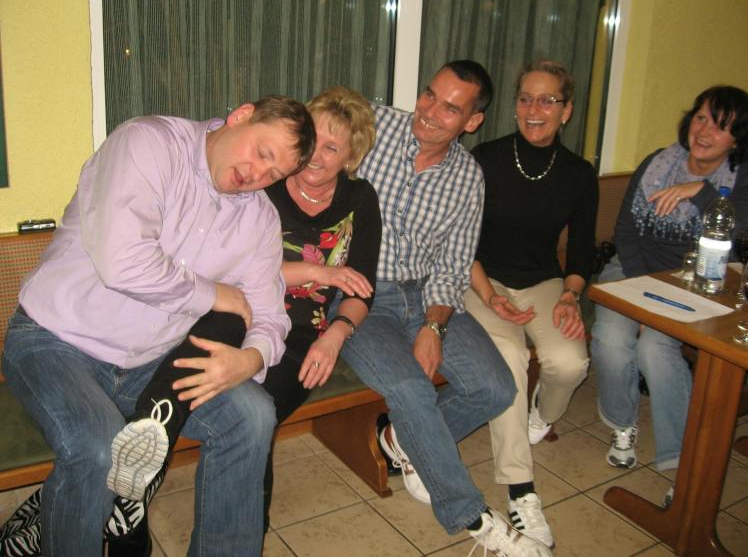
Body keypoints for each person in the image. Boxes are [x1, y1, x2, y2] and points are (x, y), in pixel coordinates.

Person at [1, 95, 315, 556]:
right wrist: (215, 294)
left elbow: (270, 315)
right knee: (97, 447)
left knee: (252, 416)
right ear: (241, 116)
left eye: (274, 174)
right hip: (54, 340)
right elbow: (122, 262)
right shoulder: (148, 144)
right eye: (262, 153)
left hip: (148, 360)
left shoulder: (259, 219)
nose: (258, 175)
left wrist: (251, 359)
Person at [106, 86, 381, 542]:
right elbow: (235, 271)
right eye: (313, 140)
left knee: (259, 409)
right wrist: (317, 271)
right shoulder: (263, 180)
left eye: (332, 148)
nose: (315, 155)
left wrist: (334, 337)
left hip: (299, 331)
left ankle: (237, 523)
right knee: (220, 333)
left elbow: (361, 286)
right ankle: (138, 474)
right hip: (231, 310)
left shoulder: (359, 200)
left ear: (351, 157)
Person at [341, 60, 552, 556]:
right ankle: (476, 520)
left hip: (425, 296)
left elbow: (454, 266)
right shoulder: (372, 126)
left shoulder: (467, 178)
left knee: (496, 387)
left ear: (472, 121)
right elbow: (307, 130)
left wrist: (433, 327)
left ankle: (405, 442)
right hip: (358, 294)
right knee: (412, 387)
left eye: (450, 108)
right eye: (429, 95)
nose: (430, 112)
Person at [591, 85, 748, 483]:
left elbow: (740, 230)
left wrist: (701, 192)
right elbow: (625, 230)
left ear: (737, 139)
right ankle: (622, 424)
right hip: (633, 268)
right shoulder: (657, 163)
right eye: (701, 118)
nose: (704, 131)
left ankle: (681, 460)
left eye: (720, 126)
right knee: (610, 338)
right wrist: (644, 297)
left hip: (696, 281)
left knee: (655, 348)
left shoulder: (743, 174)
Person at [464, 60, 598, 547]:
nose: (533, 109)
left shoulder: (579, 174)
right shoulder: (485, 158)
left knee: (570, 361)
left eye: (547, 100)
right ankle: (520, 490)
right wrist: (490, 295)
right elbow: (460, 240)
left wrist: (570, 296)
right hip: (481, 278)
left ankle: (540, 415)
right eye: (525, 98)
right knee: (511, 356)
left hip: (543, 280)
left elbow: (581, 250)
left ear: (566, 111)